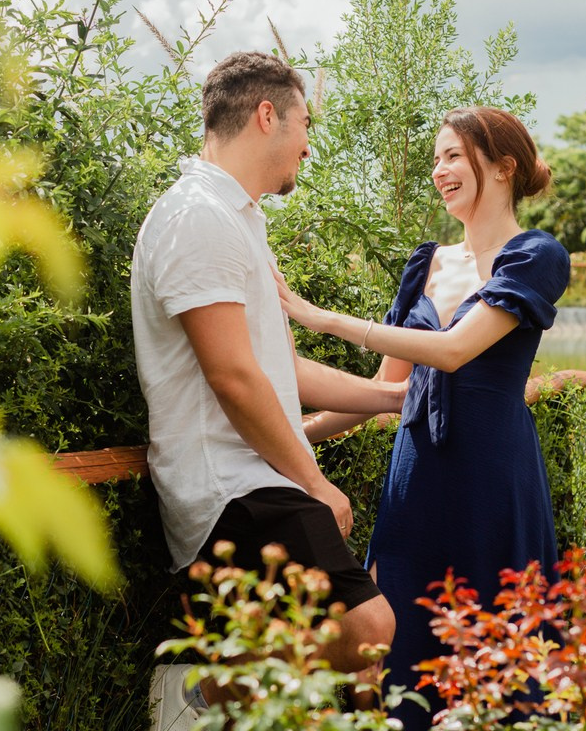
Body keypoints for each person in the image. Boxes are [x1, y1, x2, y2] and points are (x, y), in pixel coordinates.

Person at [131, 51, 402, 731]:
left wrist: (393, 398)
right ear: (266, 115)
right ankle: (202, 692)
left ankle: (218, 696)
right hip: (231, 485)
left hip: (256, 479)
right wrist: (314, 481)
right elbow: (233, 376)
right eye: (306, 122)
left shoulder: (239, 219)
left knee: (362, 661)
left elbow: (280, 368)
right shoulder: (197, 217)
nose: (309, 144)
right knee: (368, 625)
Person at [276, 106, 571, 730]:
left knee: (496, 652)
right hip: (416, 485)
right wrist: (287, 437)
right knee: (396, 647)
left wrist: (318, 317)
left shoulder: (537, 257)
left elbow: (455, 350)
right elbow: (387, 393)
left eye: (453, 156)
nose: (439, 171)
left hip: (493, 480)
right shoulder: (427, 265)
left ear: (502, 166)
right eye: (436, 159)